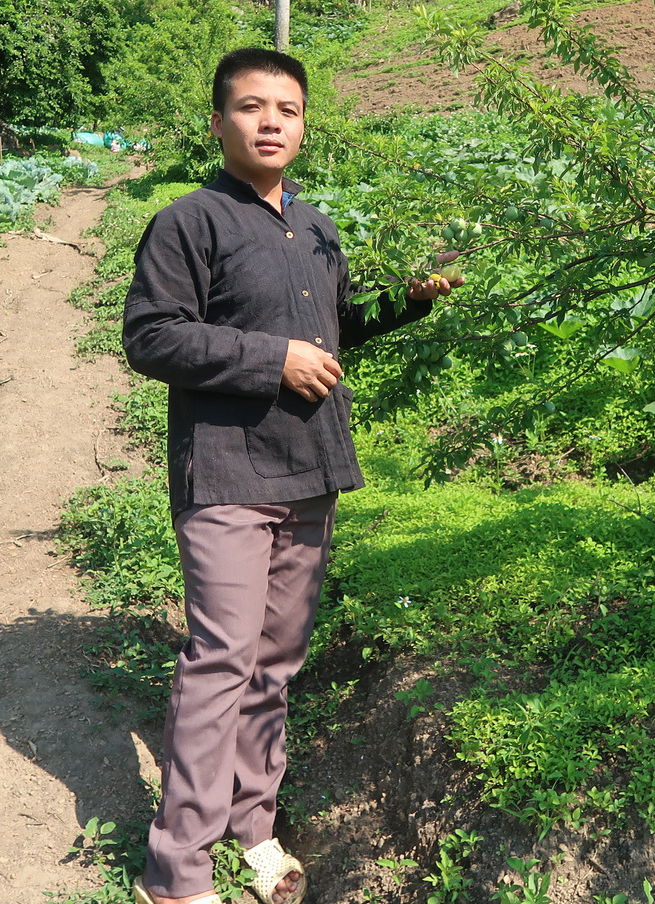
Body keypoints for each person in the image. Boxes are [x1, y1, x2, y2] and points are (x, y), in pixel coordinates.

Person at [122, 48, 459, 904]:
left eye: (289, 109)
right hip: (229, 476)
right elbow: (152, 336)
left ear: (305, 126)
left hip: (308, 473)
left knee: (275, 666)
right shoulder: (188, 223)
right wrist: (271, 358)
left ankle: (254, 827)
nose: (271, 121)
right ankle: (178, 872)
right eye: (251, 107)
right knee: (222, 661)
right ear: (217, 123)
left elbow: (339, 329)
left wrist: (411, 299)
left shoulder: (317, 229)